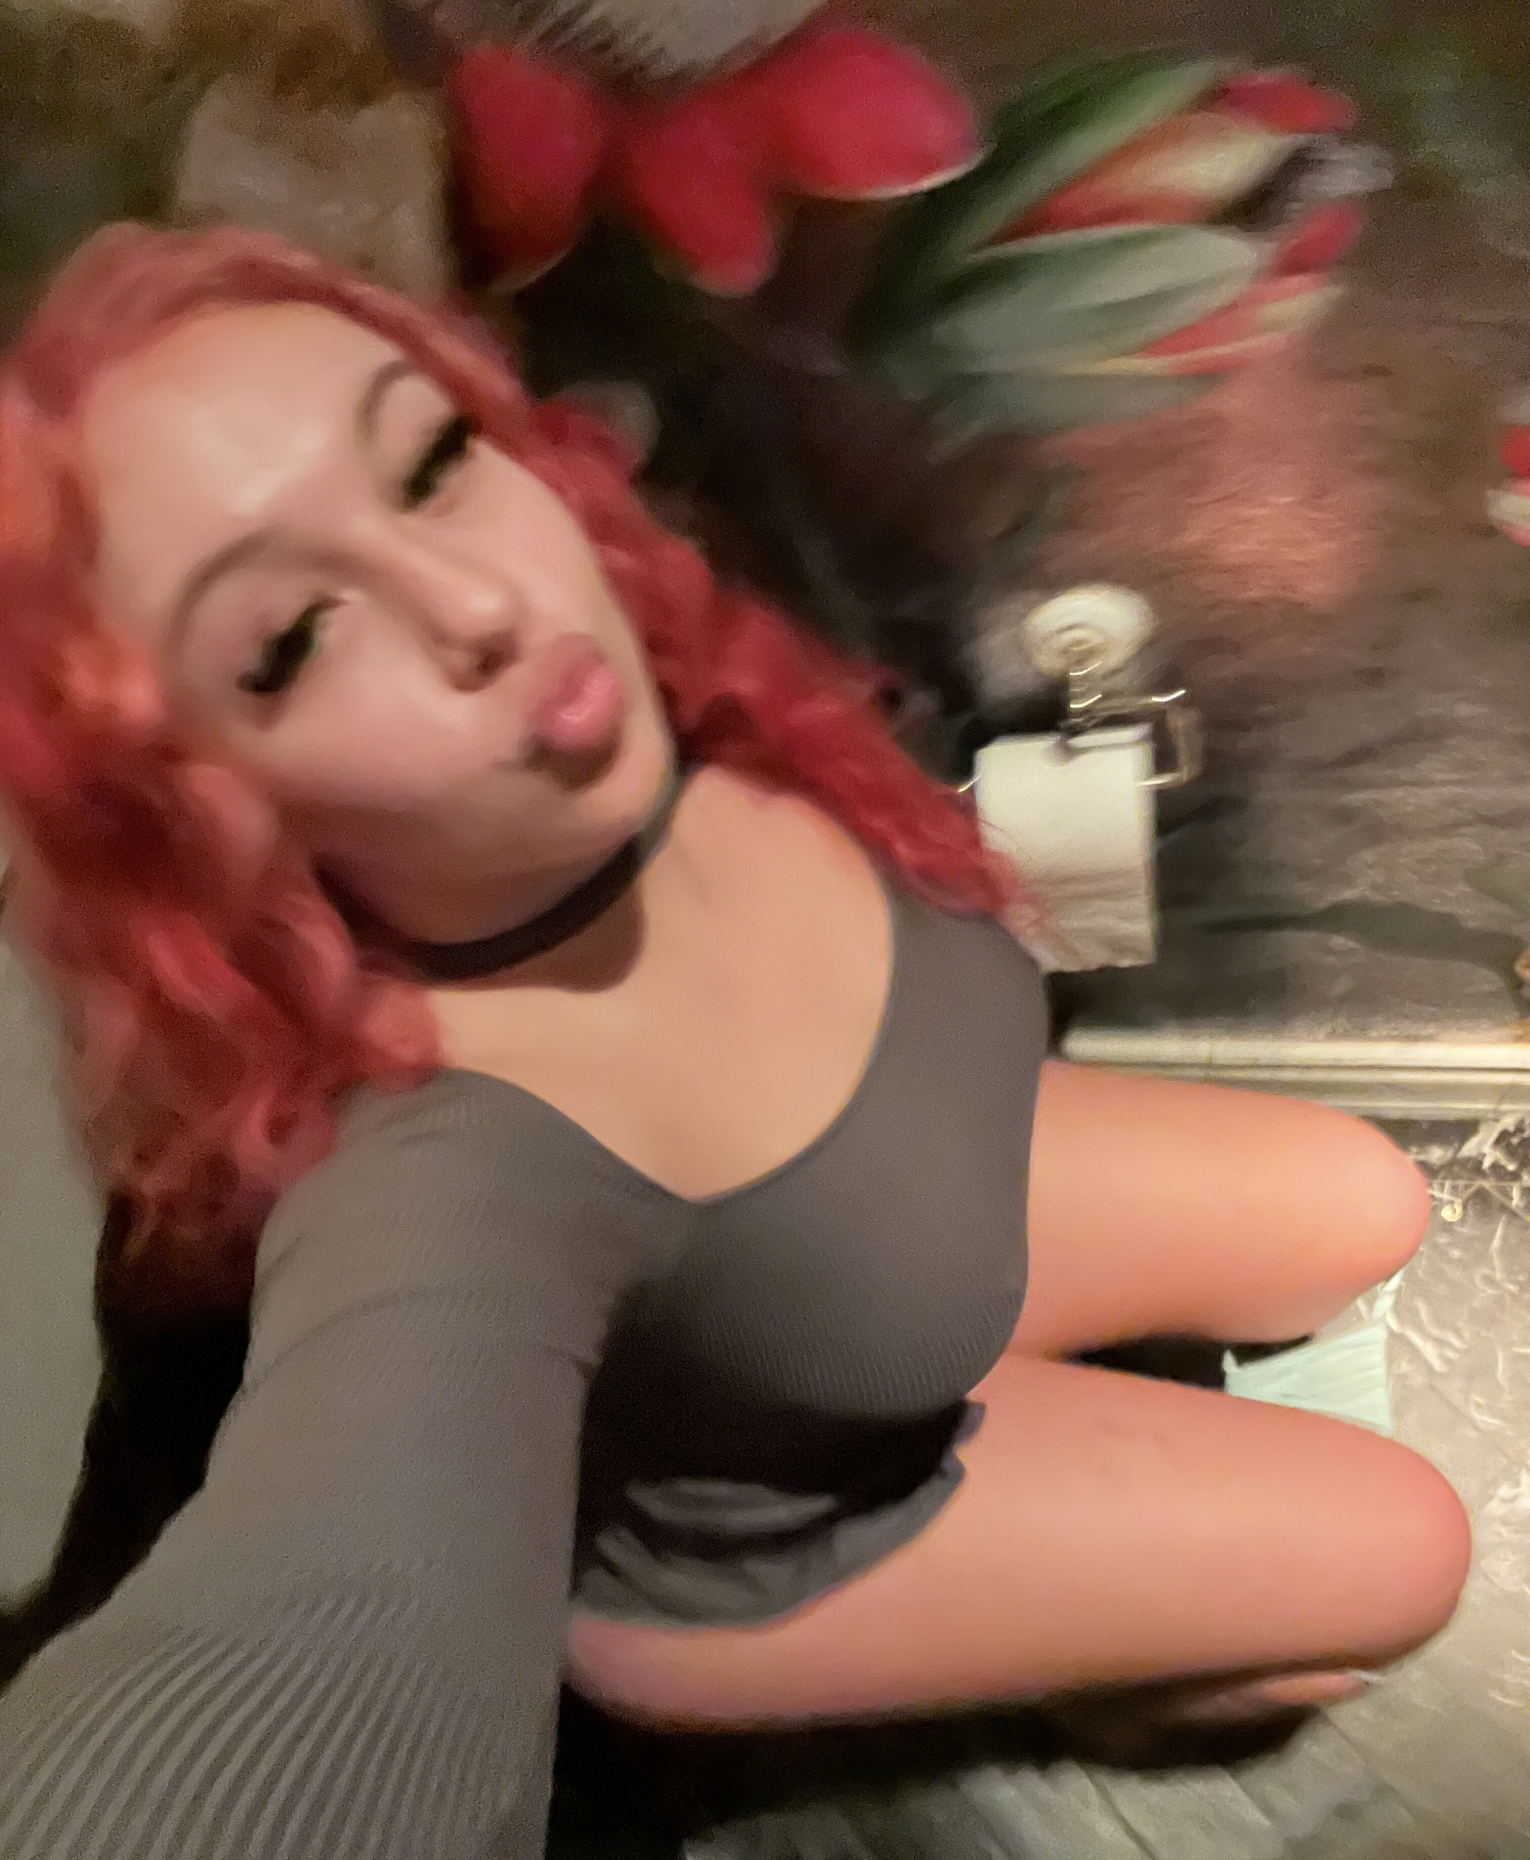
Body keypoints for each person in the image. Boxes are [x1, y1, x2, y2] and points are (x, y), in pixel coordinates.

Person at [0, 224, 1469, 1858]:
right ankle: (1098, 1683)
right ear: (196, 808)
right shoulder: (452, 1172)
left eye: (429, 464)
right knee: (1399, 1553)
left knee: (1364, 1203)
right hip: (777, 1539)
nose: (481, 602)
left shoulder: (661, 699)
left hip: (884, 1242)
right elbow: (310, 1644)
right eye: (291, 639)